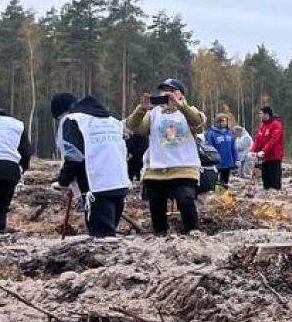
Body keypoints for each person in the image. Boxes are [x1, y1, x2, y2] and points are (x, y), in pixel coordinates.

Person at [126, 78, 207, 235]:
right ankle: (160, 232)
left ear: (180, 94)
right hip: (157, 167)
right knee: (156, 203)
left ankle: (192, 230)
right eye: (163, 91)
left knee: (185, 200)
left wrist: (181, 106)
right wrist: (141, 109)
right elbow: (134, 126)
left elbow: (197, 122)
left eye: (170, 90)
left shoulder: (190, 111)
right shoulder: (153, 114)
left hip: (184, 166)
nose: (165, 94)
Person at [59, 95, 129, 238]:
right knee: (110, 234)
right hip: (120, 183)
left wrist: (64, 180)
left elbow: (74, 156)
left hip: (95, 186)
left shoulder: (74, 121)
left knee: (102, 238)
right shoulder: (113, 121)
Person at [49, 92, 89, 197]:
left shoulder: (70, 121)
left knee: (95, 211)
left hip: (90, 182)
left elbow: (74, 156)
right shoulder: (93, 118)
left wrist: (64, 181)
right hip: (117, 180)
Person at [254, 106, 285, 192]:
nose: (259, 116)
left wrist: (263, 150)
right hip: (265, 158)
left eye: (261, 114)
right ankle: (267, 195)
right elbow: (258, 139)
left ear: (267, 114)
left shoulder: (276, 125)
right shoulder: (263, 126)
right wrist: (252, 151)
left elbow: (273, 140)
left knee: (274, 178)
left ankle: (276, 196)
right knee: (266, 179)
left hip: (274, 157)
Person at [206, 114, 240, 189]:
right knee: (214, 181)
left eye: (225, 121)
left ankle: (223, 196)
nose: (223, 123)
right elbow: (209, 148)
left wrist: (236, 159)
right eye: (221, 121)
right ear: (217, 122)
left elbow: (233, 147)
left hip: (227, 162)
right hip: (217, 162)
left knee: (224, 181)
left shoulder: (229, 133)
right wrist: (211, 160)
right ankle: (214, 196)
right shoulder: (212, 134)